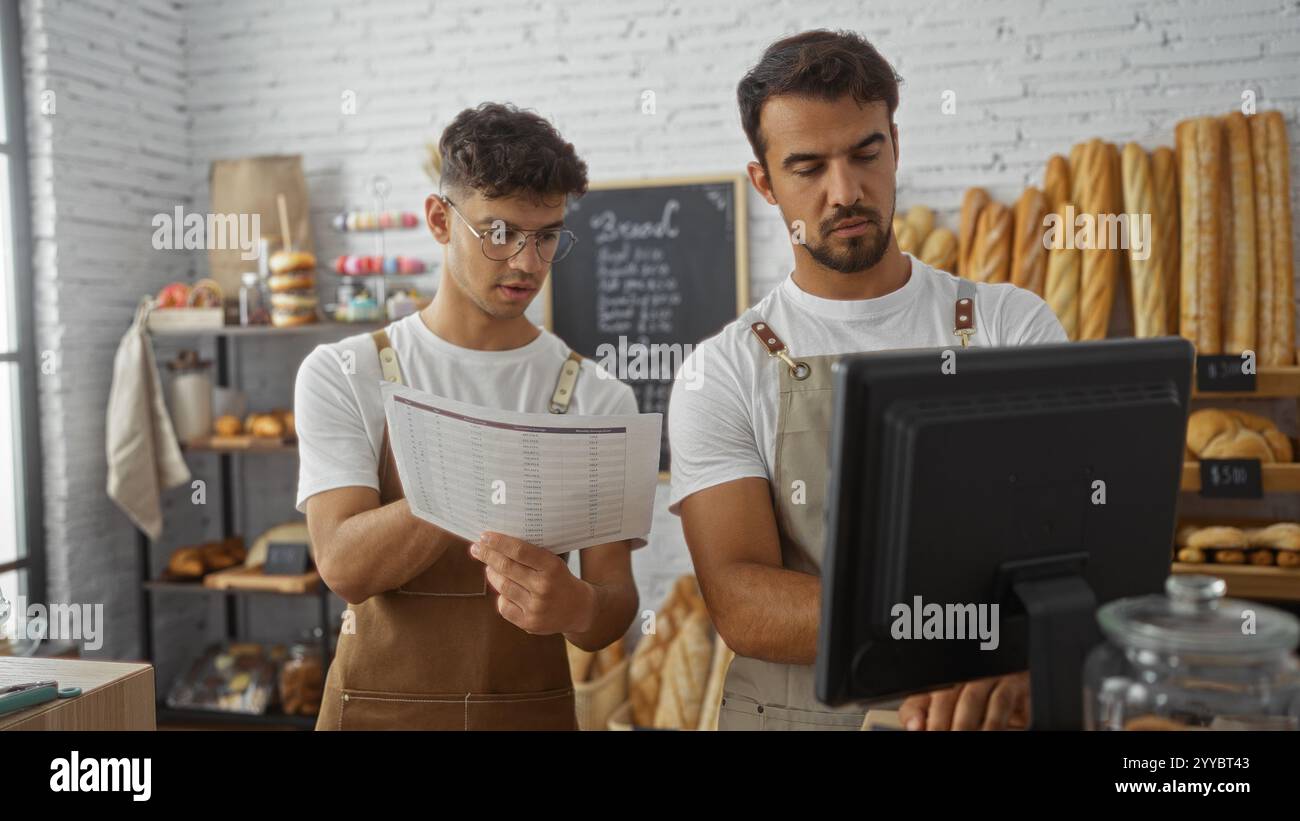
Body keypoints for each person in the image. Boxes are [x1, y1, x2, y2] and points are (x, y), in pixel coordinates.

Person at [668, 30, 1064, 731]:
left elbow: (1067, 550)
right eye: (807, 167)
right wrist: (970, 623)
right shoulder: (720, 370)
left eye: (865, 153)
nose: (845, 191)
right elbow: (742, 602)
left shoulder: (1012, 325)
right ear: (764, 182)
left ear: (896, 145)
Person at [295, 103, 639, 730]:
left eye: (547, 235)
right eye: (500, 232)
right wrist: (493, 465)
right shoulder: (346, 371)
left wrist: (575, 606)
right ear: (438, 220)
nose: (528, 263)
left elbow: (613, 610)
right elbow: (344, 565)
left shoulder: (597, 397)